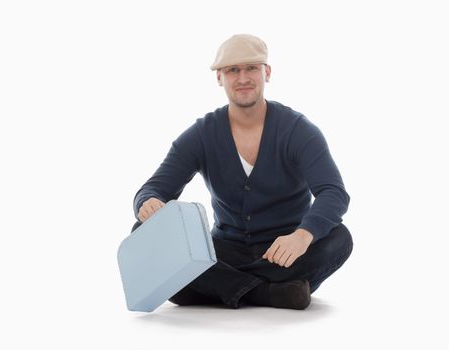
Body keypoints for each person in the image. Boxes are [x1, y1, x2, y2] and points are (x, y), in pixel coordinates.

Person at [131, 34, 353, 310]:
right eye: (233, 70)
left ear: (266, 73)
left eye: (251, 68)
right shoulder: (201, 134)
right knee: (143, 229)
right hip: (226, 251)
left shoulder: (298, 130)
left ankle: (215, 288)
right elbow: (153, 189)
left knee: (339, 238)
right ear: (219, 78)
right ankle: (266, 293)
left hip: (284, 254)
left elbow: (333, 193)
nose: (243, 78)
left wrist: (302, 235)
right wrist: (147, 202)